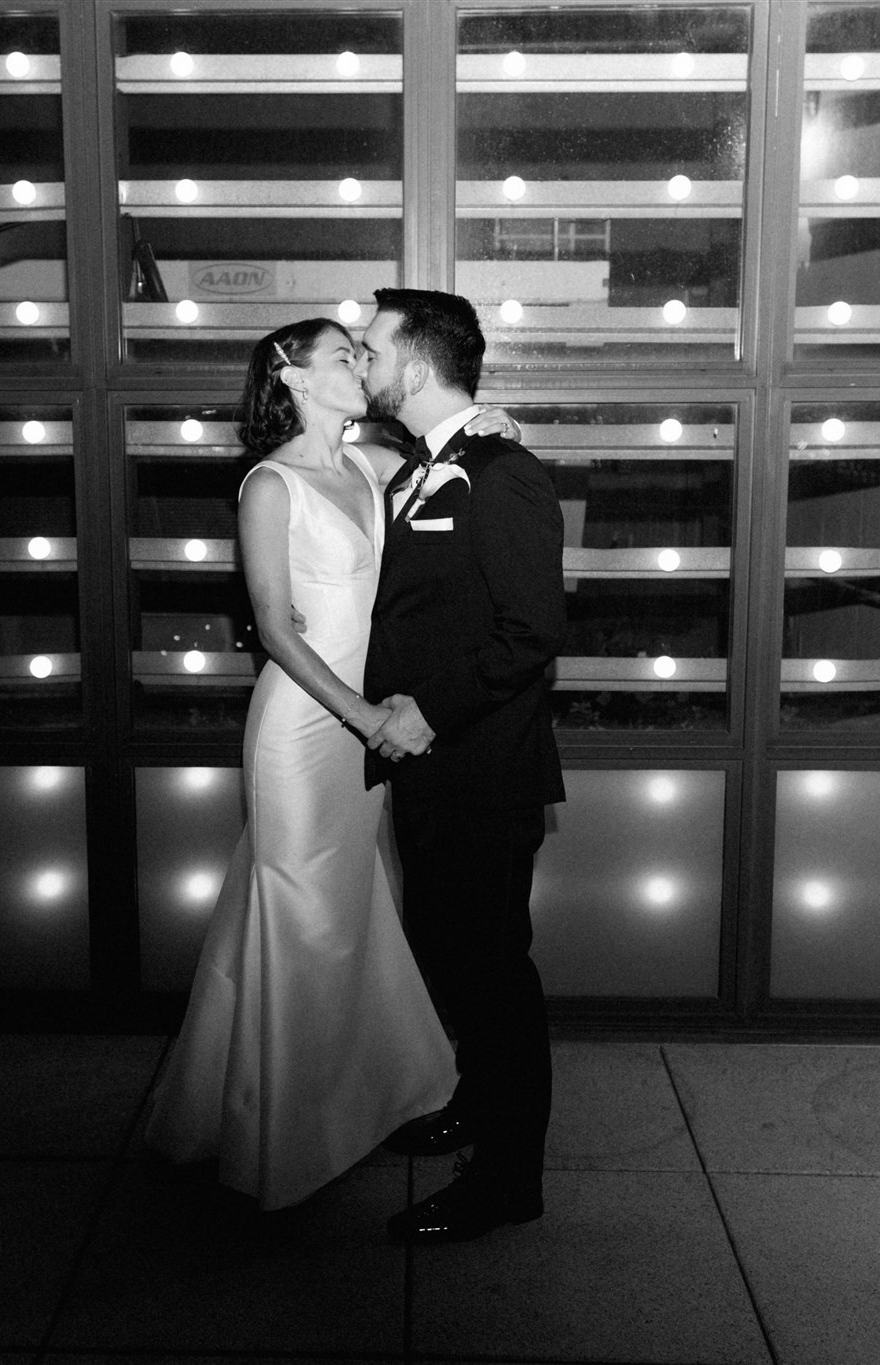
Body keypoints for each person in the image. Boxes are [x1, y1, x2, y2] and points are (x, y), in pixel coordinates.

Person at [142, 317, 521, 1211]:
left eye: (364, 351)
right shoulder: (268, 485)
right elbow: (273, 628)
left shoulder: (372, 467)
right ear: (294, 378)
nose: (361, 366)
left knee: (350, 911)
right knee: (303, 915)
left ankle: (360, 1097)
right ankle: (287, 1129)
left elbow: (449, 462)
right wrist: (361, 715)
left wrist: (493, 423)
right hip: (307, 731)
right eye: (343, 356)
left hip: (369, 733)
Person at [358, 288, 567, 1244]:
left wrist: (426, 712)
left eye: (372, 347)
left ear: (418, 362)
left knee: (493, 972)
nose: (363, 360)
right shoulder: (423, 467)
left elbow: (532, 630)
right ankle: (476, 1106)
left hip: (482, 770)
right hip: (431, 769)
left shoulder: (502, 473)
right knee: (451, 950)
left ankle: (508, 1178)